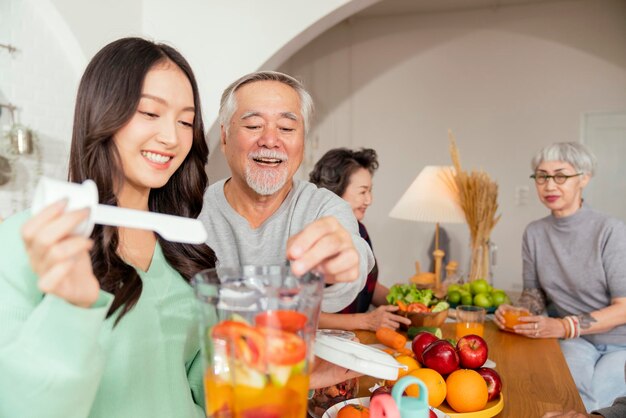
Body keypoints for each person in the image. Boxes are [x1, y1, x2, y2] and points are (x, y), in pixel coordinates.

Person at [0, 38, 217, 417]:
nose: (172, 137)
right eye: (150, 113)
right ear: (103, 114)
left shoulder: (184, 252)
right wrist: (71, 307)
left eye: (186, 121)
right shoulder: (26, 243)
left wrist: (297, 369)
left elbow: (210, 388)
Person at [199, 71, 375, 316]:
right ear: (225, 135)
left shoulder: (324, 209)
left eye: (286, 127)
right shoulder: (192, 211)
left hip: (294, 353)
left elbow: (350, 262)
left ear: (302, 140)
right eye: (253, 125)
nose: (270, 140)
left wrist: (340, 265)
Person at [493, 142, 626, 411]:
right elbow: (534, 294)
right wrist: (517, 313)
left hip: (619, 343)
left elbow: (623, 308)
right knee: (568, 399)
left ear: (584, 178)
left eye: (561, 176)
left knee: (601, 406)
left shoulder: (610, 230)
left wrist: (564, 326)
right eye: (542, 176)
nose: (549, 185)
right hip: (576, 342)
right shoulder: (534, 233)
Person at [308, 147, 411, 331]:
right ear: (333, 193)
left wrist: (405, 303)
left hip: (356, 340)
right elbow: (301, 313)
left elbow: (368, 286)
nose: (369, 200)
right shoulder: (313, 240)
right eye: (363, 192)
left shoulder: (360, 231)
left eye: (370, 191)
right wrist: (366, 321)